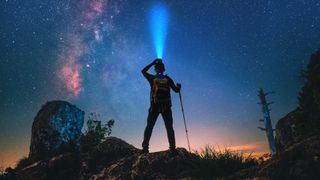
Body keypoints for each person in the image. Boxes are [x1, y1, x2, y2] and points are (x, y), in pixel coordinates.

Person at [141, 58, 181, 155]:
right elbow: (176, 90)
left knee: (149, 126)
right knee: (169, 127)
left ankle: (145, 148)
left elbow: (143, 71)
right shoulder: (168, 79)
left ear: (155, 69)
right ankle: (172, 148)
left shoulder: (152, 78)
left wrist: (152, 62)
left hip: (154, 106)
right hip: (166, 106)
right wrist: (179, 87)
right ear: (164, 69)